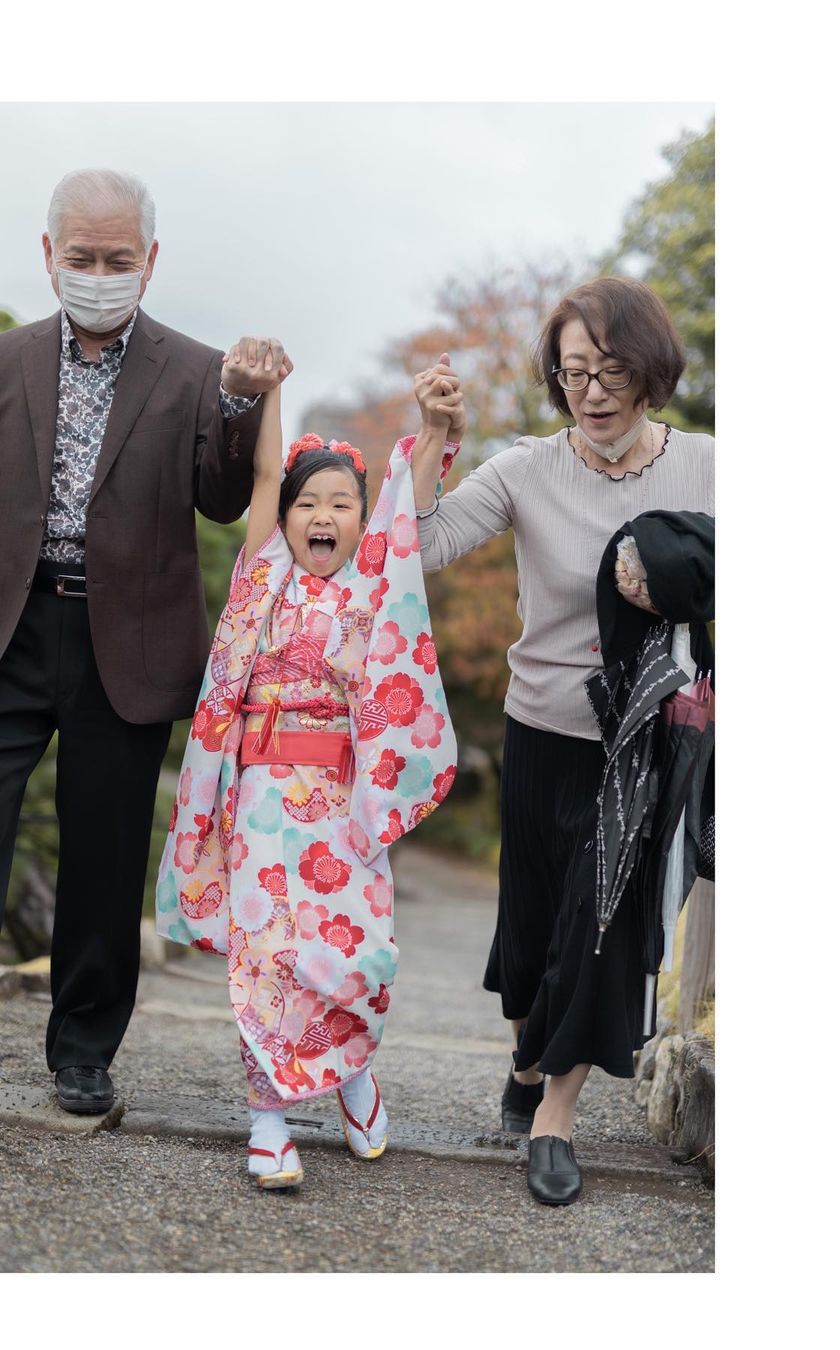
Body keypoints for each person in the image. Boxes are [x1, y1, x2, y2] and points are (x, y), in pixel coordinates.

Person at [0, 167, 291, 1130]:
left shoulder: (195, 368)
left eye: (117, 259)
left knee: (103, 860)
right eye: (81, 257)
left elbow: (223, 498)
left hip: (125, 646)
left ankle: (84, 1054)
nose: (98, 273)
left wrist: (242, 403)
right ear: (49, 257)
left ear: (150, 261)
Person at [409, 277, 714, 1205]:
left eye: (612, 368)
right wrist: (431, 438)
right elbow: (417, 548)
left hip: (643, 742)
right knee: (536, 928)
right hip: (540, 725)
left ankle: (555, 1120)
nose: (593, 389)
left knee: (601, 917)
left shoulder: (709, 464)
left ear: (650, 368)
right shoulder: (525, 468)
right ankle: (526, 1059)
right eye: (574, 371)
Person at [156, 361, 458, 1188]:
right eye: (306, 504)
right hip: (260, 801)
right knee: (266, 959)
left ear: (363, 522)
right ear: (285, 519)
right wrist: (272, 389)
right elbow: (263, 468)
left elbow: (410, 500)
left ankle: (354, 1071)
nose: (322, 516)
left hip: (344, 805)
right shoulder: (263, 578)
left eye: (341, 505)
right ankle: (268, 1120)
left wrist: (431, 428)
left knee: (356, 951)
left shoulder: (375, 587)